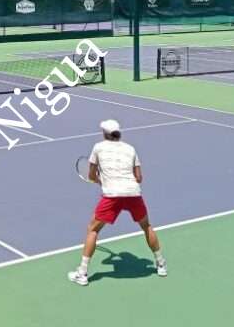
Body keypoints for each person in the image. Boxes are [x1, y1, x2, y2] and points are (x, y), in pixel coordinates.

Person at [68, 119, 166, 286]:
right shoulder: (131, 149)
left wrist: (100, 180)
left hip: (112, 195)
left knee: (92, 230)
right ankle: (161, 264)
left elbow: (91, 176)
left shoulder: (98, 147)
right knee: (146, 226)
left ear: (104, 134)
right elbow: (139, 178)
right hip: (133, 193)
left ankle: (82, 273)